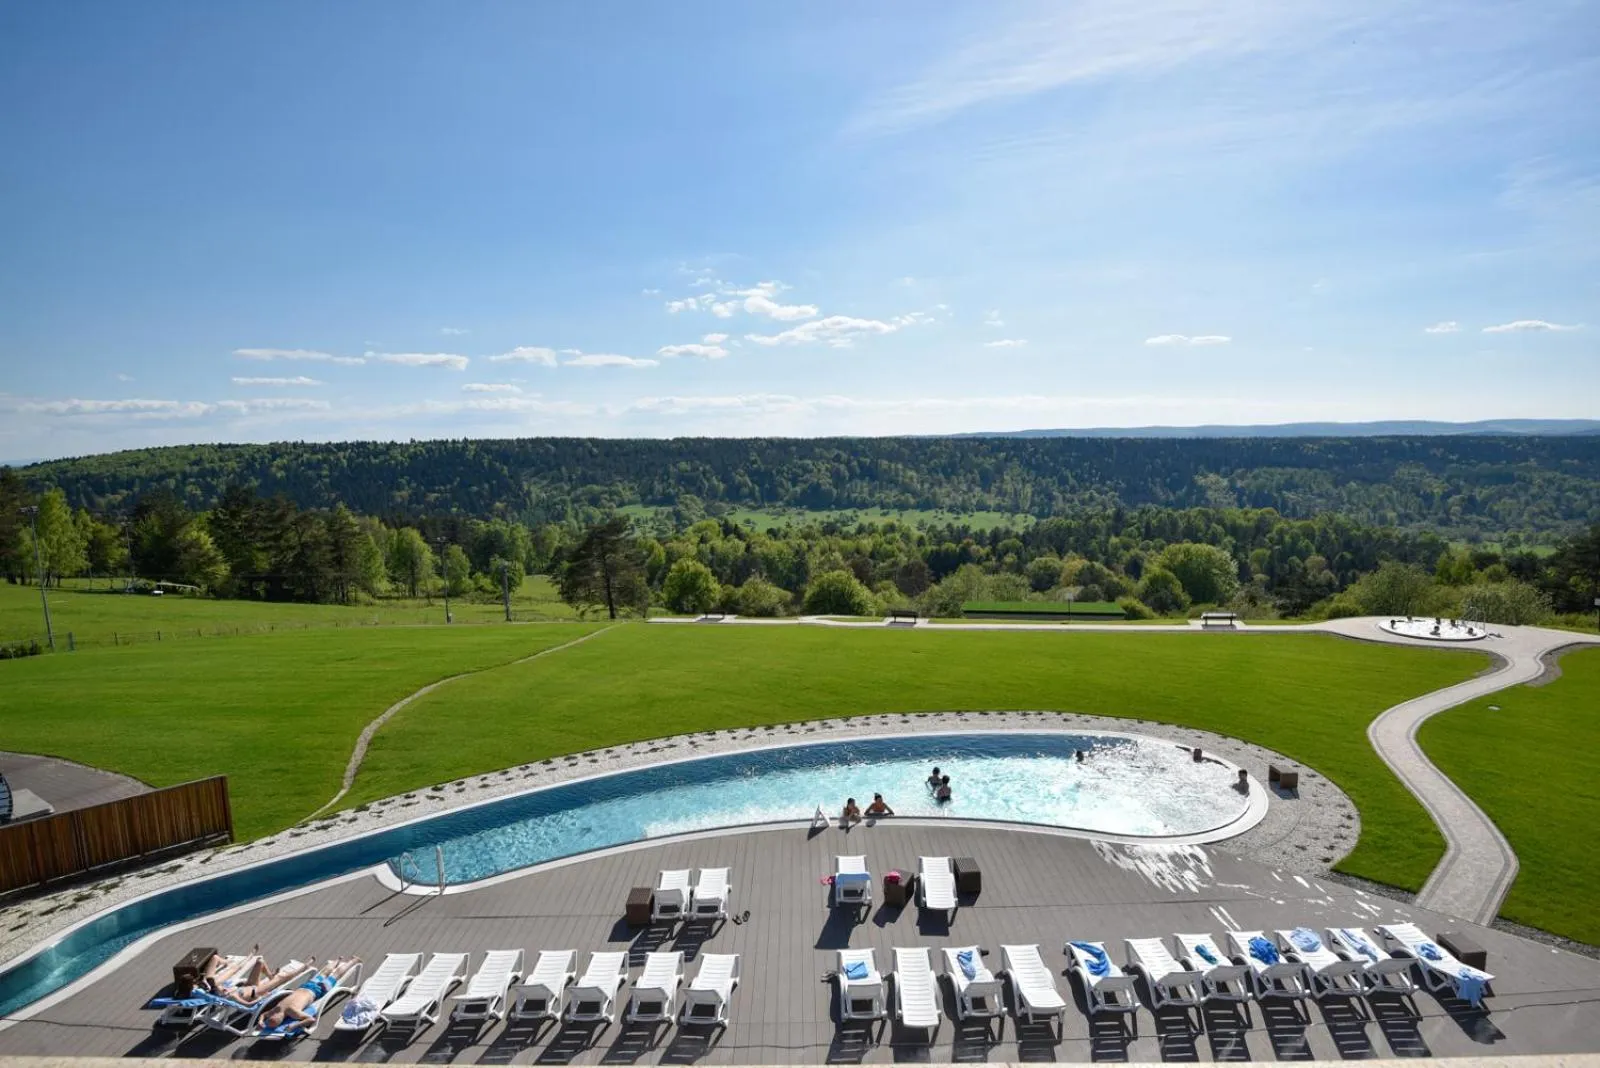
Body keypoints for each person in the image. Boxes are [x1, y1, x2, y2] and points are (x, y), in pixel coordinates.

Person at [256, 958, 362, 1031]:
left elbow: (311, 1019)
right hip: (306, 986)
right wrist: (261, 1021)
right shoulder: (277, 1008)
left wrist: (294, 1025)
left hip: (318, 990)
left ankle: (354, 961)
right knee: (324, 972)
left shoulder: (293, 1012)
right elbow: (263, 1014)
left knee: (336, 975)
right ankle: (337, 960)